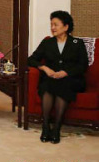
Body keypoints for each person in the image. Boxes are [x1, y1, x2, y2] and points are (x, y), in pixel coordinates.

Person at [28, 10, 88, 144]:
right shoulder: (47, 43)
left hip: (72, 78)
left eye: (56, 25)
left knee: (63, 84)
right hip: (51, 77)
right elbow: (31, 59)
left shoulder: (77, 43)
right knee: (47, 85)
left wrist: (66, 72)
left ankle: (56, 128)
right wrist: (44, 68)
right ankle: (45, 126)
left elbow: (82, 65)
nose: (53, 28)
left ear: (66, 27)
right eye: (51, 25)